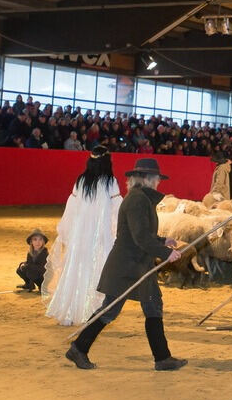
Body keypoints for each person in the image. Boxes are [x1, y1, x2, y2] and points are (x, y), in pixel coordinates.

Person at [65, 157, 187, 372]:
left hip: (139, 265)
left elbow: (139, 234)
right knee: (110, 310)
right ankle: (78, 348)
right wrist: (166, 253)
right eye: (157, 178)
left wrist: (161, 241)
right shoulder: (137, 200)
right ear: (148, 179)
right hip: (126, 267)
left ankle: (162, 358)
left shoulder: (141, 199)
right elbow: (139, 237)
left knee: (153, 307)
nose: (159, 182)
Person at [43, 145, 121, 326]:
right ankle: (92, 312)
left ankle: (69, 313)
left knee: (75, 269)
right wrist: (117, 231)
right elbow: (116, 209)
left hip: (80, 235)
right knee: (98, 268)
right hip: (99, 235)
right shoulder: (110, 181)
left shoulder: (81, 181)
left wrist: (68, 231)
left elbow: (71, 209)